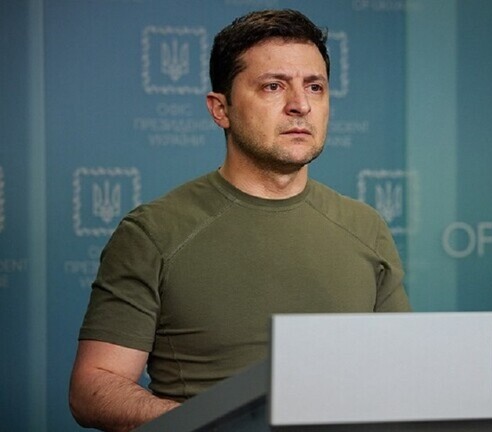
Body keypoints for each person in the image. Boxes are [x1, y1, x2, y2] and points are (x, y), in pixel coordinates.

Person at [69, 9, 411, 431]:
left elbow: (403, 376)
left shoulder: (366, 226)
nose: (300, 105)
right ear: (221, 109)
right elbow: (93, 386)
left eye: (315, 87)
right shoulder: (153, 233)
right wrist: (212, 425)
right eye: (273, 86)